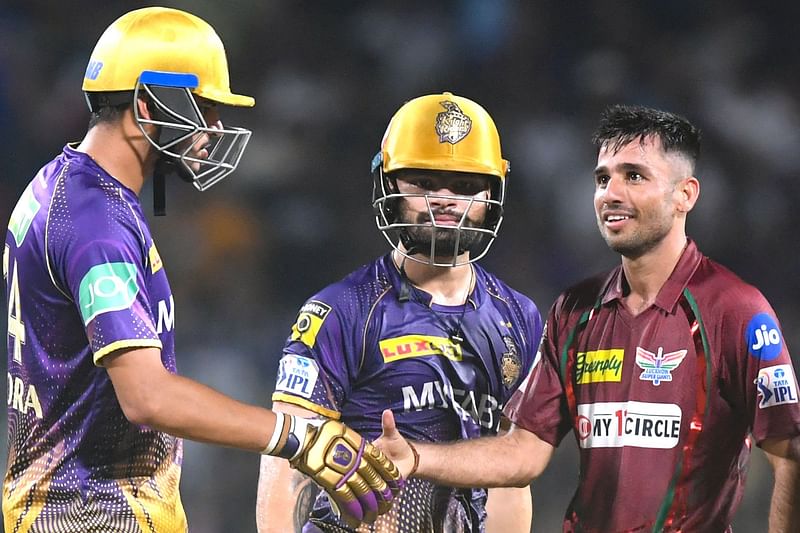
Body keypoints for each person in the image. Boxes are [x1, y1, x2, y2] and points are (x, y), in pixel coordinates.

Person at [2, 7, 400, 532]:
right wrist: (296, 437)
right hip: (94, 515)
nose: (213, 129)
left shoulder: (61, 187)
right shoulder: (96, 220)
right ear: (147, 103)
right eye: (203, 108)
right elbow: (146, 396)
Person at [375, 104, 800, 532]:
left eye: (634, 176)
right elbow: (523, 451)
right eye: (603, 178)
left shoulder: (735, 310)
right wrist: (416, 457)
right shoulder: (574, 310)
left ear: (685, 195)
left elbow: (789, 455)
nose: (611, 194)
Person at [256, 92, 544, 532]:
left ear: (493, 193)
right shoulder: (341, 310)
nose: (445, 200)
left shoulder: (520, 318)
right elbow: (288, 460)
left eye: (466, 186)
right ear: (389, 187)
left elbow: (509, 478)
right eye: (425, 183)